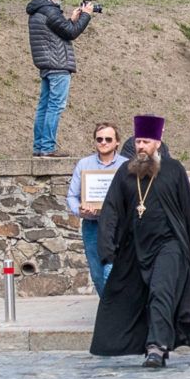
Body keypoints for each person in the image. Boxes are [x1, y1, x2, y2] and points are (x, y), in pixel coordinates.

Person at [90, 115, 190, 368]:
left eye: (145, 141)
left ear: (157, 142)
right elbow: (111, 209)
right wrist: (107, 245)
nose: (140, 146)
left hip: (170, 245)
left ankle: (155, 346)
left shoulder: (174, 169)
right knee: (136, 295)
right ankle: (153, 341)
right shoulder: (125, 172)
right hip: (135, 245)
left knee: (160, 291)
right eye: (137, 142)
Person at [27, 0, 92, 157]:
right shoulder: (50, 10)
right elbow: (71, 33)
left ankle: (39, 147)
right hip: (58, 64)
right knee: (55, 106)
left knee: (44, 106)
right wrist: (86, 15)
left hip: (46, 64)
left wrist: (71, 19)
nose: (60, 0)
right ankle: (47, 147)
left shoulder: (37, 10)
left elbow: (60, 31)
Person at [67, 123, 128, 296]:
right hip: (92, 226)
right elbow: (72, 196)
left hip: (118, 227)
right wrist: (80, 210)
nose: (103, 142)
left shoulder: (126, 165)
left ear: (117, 142)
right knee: (97, 274)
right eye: (99, 139)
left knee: (112, 271)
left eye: (108, 139)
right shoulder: (84, 164)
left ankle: (114, 313)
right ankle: (108, 308)